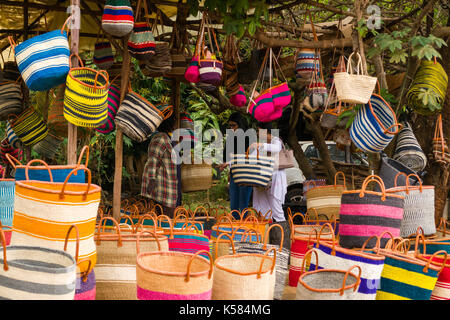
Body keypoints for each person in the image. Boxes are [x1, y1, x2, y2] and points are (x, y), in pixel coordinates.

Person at [141, 112, 178, 218]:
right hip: (162, 190)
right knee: (165, 220)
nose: (176, 125)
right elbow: (153, 161)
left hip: (167, 188)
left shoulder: (166, 139)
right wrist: (151, 180)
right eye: (174, 122)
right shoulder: (160, 139)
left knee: (166, 219)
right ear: (170, 124)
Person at [249, 121, 287, 223]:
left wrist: (261, 144)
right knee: (264, 209)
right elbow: (248, 157)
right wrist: (229, 163)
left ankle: (283, 234)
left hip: (275, 182)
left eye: (259, 131)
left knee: (277, 210)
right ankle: (268, 233)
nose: (257, 133)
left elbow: (276, 148)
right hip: (263, 182)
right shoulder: (262, 146)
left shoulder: (276, 141)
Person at [220, 112, 253, 219]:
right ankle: (235, 227)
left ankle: (244, 228)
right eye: (230, 126)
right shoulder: (231, 137)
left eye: (234, 125)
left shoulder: (249, 137)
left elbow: (248, 156)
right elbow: (227, 155)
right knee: (233, 204)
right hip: (235, 173)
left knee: (243, 204)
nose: (232, 128)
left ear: (241, 124)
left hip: (246, 173)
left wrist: (229, 162)